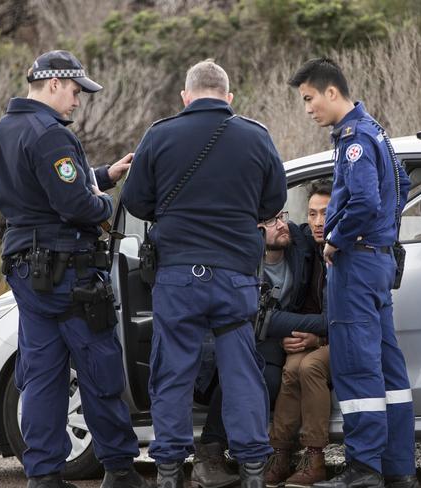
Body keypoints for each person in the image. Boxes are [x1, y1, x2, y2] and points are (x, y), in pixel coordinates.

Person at [120, 59, 287, 488]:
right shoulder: (256, 136)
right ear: (228, 98)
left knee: (171, 373)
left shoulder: (159, 135)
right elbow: (273, 202)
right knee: (241, 373)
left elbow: (137, 202)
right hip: (235, 276)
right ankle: (253, 469)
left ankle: (171, 472)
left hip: (177, 277)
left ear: (185, 96)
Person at [0, 50, 147, 488]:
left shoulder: (6, 129)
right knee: (99, 367)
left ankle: (43, 476)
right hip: (69, 274)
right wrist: (107, 202)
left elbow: (45, 187)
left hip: (26, 268)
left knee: (41, 375)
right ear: (54, 84)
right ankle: (118, 469)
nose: (78, 101)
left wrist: (103, 174)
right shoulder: (50, 134)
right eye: (76, 91)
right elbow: (76, 203)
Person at [288, 58, 417, 488]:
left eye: (308, 99)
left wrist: (335, 240)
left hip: (357, 263)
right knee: (389, 371)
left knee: (358, 367)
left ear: (330, 92)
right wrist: (383, 234)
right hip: (377, 259)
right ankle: (398, 470)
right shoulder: (374, 129)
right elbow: (400, 184)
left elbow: (362, 201)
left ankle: (363, 470)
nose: (307, 109)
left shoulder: (354, 139)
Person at [191, 209, 324, 488]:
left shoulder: (299, 245)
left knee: (269, 378)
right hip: (233, 338)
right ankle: (210, 452)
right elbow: (263, 318)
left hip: (273, 343)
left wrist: (311, 334)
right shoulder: (240, 263)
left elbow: (317, 225)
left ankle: (249, 454)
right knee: (238, 373)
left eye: (281, 217)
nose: (281, 225)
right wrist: (327, 324)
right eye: (270, 222)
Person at [264, 180, 332, 488]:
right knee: (291, 368)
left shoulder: (347, 250)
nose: (318, 223)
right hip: (317, 335)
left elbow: (348, 318)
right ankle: (280, 453)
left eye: (326, 214)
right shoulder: (307, 246)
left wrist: (316, 339)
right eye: (313, 214)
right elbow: (279, 224)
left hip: (342, 338)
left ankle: (315, 457)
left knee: (309, 366)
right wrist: (294, 336)